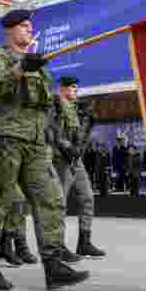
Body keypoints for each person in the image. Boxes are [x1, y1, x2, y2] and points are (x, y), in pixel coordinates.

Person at [0, 9, 89, 291]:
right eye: (24, 26)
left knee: (50, 200)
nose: (29, 31)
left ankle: (53, 264)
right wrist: (20, 69)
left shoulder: (39, 65)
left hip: (37, 142)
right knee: (0, 202)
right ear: (9, 30)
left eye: (30, 26)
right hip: (7, 139)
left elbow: (43, 106)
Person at [49, 76, 105, 257]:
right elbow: (53, 131)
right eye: (72, 87)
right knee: (60, 202)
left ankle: (84, 242)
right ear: (63, 88)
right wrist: (68, 148)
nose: (76, 91)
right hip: (61, 158)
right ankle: (59, 246)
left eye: (76, 88)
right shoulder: (55, 104)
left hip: (75, 160)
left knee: (87, 197)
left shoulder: (76, 109)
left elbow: (80, 138)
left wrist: (89, 121)